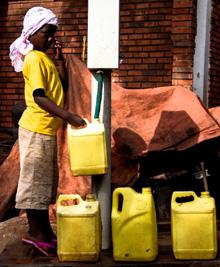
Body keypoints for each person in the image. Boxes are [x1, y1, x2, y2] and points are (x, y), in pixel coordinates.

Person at [9, 6, 86, 256]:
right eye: (47, 32)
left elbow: (60, 86)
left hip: (45, 130)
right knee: (34, 185)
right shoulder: (33, 59)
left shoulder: (45, 59)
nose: (51, 37)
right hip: (36, 129)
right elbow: (40, 97)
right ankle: (35, 233)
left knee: (44, 185)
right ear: (31, 33)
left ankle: (46, 232)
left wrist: (61, 60)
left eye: (54, 33)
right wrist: (69, 116)